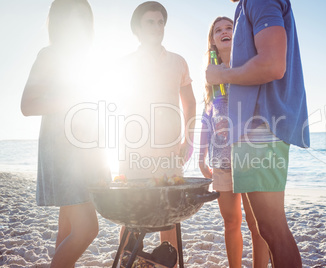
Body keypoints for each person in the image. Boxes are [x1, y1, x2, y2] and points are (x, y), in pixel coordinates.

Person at [206, 0, 310, 267]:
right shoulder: (246, 5)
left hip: (260, 128)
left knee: (273, 230)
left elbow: (273, 65)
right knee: (269, 230)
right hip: (253, 130)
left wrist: (223, 75)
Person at [20, 0, 111, 267]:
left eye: (83, 16)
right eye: (71, 16)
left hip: (86, 155)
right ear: (59, 21)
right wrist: (71, 100)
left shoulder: (88, 60)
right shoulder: (49, 55)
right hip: (62, 154)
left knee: (67, 232)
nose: (78, 23)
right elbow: (27, 105)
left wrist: (103, 159)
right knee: (87, 230)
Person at [116, 1, 196, 264]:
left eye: (161, 22)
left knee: (169, 216)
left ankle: (167, 263)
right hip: (135, 154)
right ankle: (129, 259)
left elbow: (191, 103)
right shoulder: (126, 63)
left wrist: (189, 138)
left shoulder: (178, 62)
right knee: (132, 216)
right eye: (150, 21)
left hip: (170, 153)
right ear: (137, 28)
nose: (157, 26)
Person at [199, 16, 270, 268]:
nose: (224, 31)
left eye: (229, 27)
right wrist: (200, 156)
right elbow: (206, 119)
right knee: (231, 222)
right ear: (213, 41)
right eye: (218, 30)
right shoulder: (210, 79)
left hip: (250, 156)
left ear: (238, 34)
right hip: (221, 160)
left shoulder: (248, 66)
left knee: (257, 223)